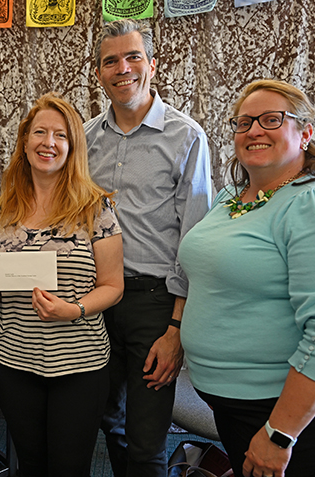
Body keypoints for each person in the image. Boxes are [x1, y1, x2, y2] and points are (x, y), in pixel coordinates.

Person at [178, 79, 315, 477]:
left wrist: (281, 432)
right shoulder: (230, 199)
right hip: (237, 401)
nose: (254, 130)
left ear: (305, 133)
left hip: (297, 408)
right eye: (244, 122)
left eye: (271, 119)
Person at [0, 92, 124, 477]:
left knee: (70, 469)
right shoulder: (3, 205)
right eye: (39, 132)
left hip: (80, 365)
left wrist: (74, 310)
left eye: (60, 135)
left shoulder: (95, 207)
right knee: (31, 466)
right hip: (13, 362)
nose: (48, 143)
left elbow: (113, 284)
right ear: (25, 140)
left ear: (73, 147)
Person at [84, 18, 213, 476]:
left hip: (154, 304)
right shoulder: (84, 139)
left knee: (146, 438)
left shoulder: (186, 137)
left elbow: (195, 241)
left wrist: (176, 329)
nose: (123, 68)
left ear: (153, 64)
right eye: (111, 61)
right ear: (99, 73)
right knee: (105, 419)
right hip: (97, 299)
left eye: (133, 56)